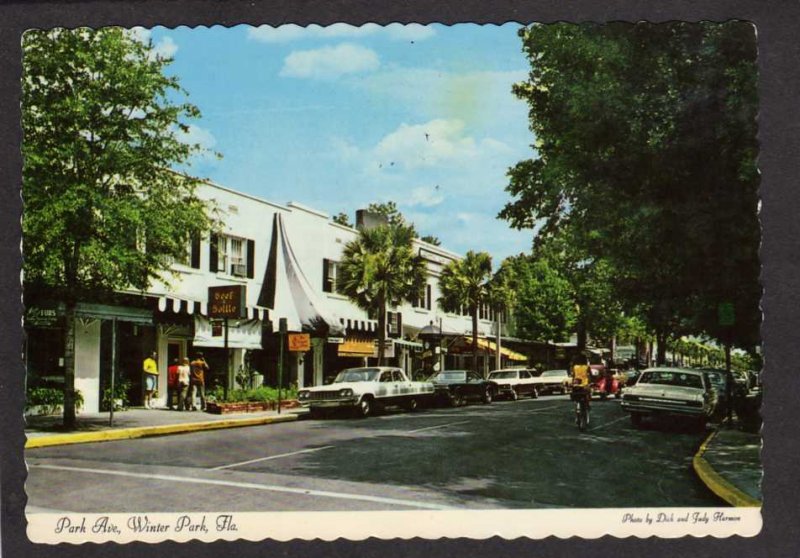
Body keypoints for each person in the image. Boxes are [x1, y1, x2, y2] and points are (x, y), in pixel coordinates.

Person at [570, 353, 592, 420]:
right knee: (587, 396)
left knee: (577, 398)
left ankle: (577, 409)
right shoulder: (587, 367)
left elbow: (573, 376)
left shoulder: (575, 367)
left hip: (576, 386)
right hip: (585, 385)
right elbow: (590, 376)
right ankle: (587, 406)